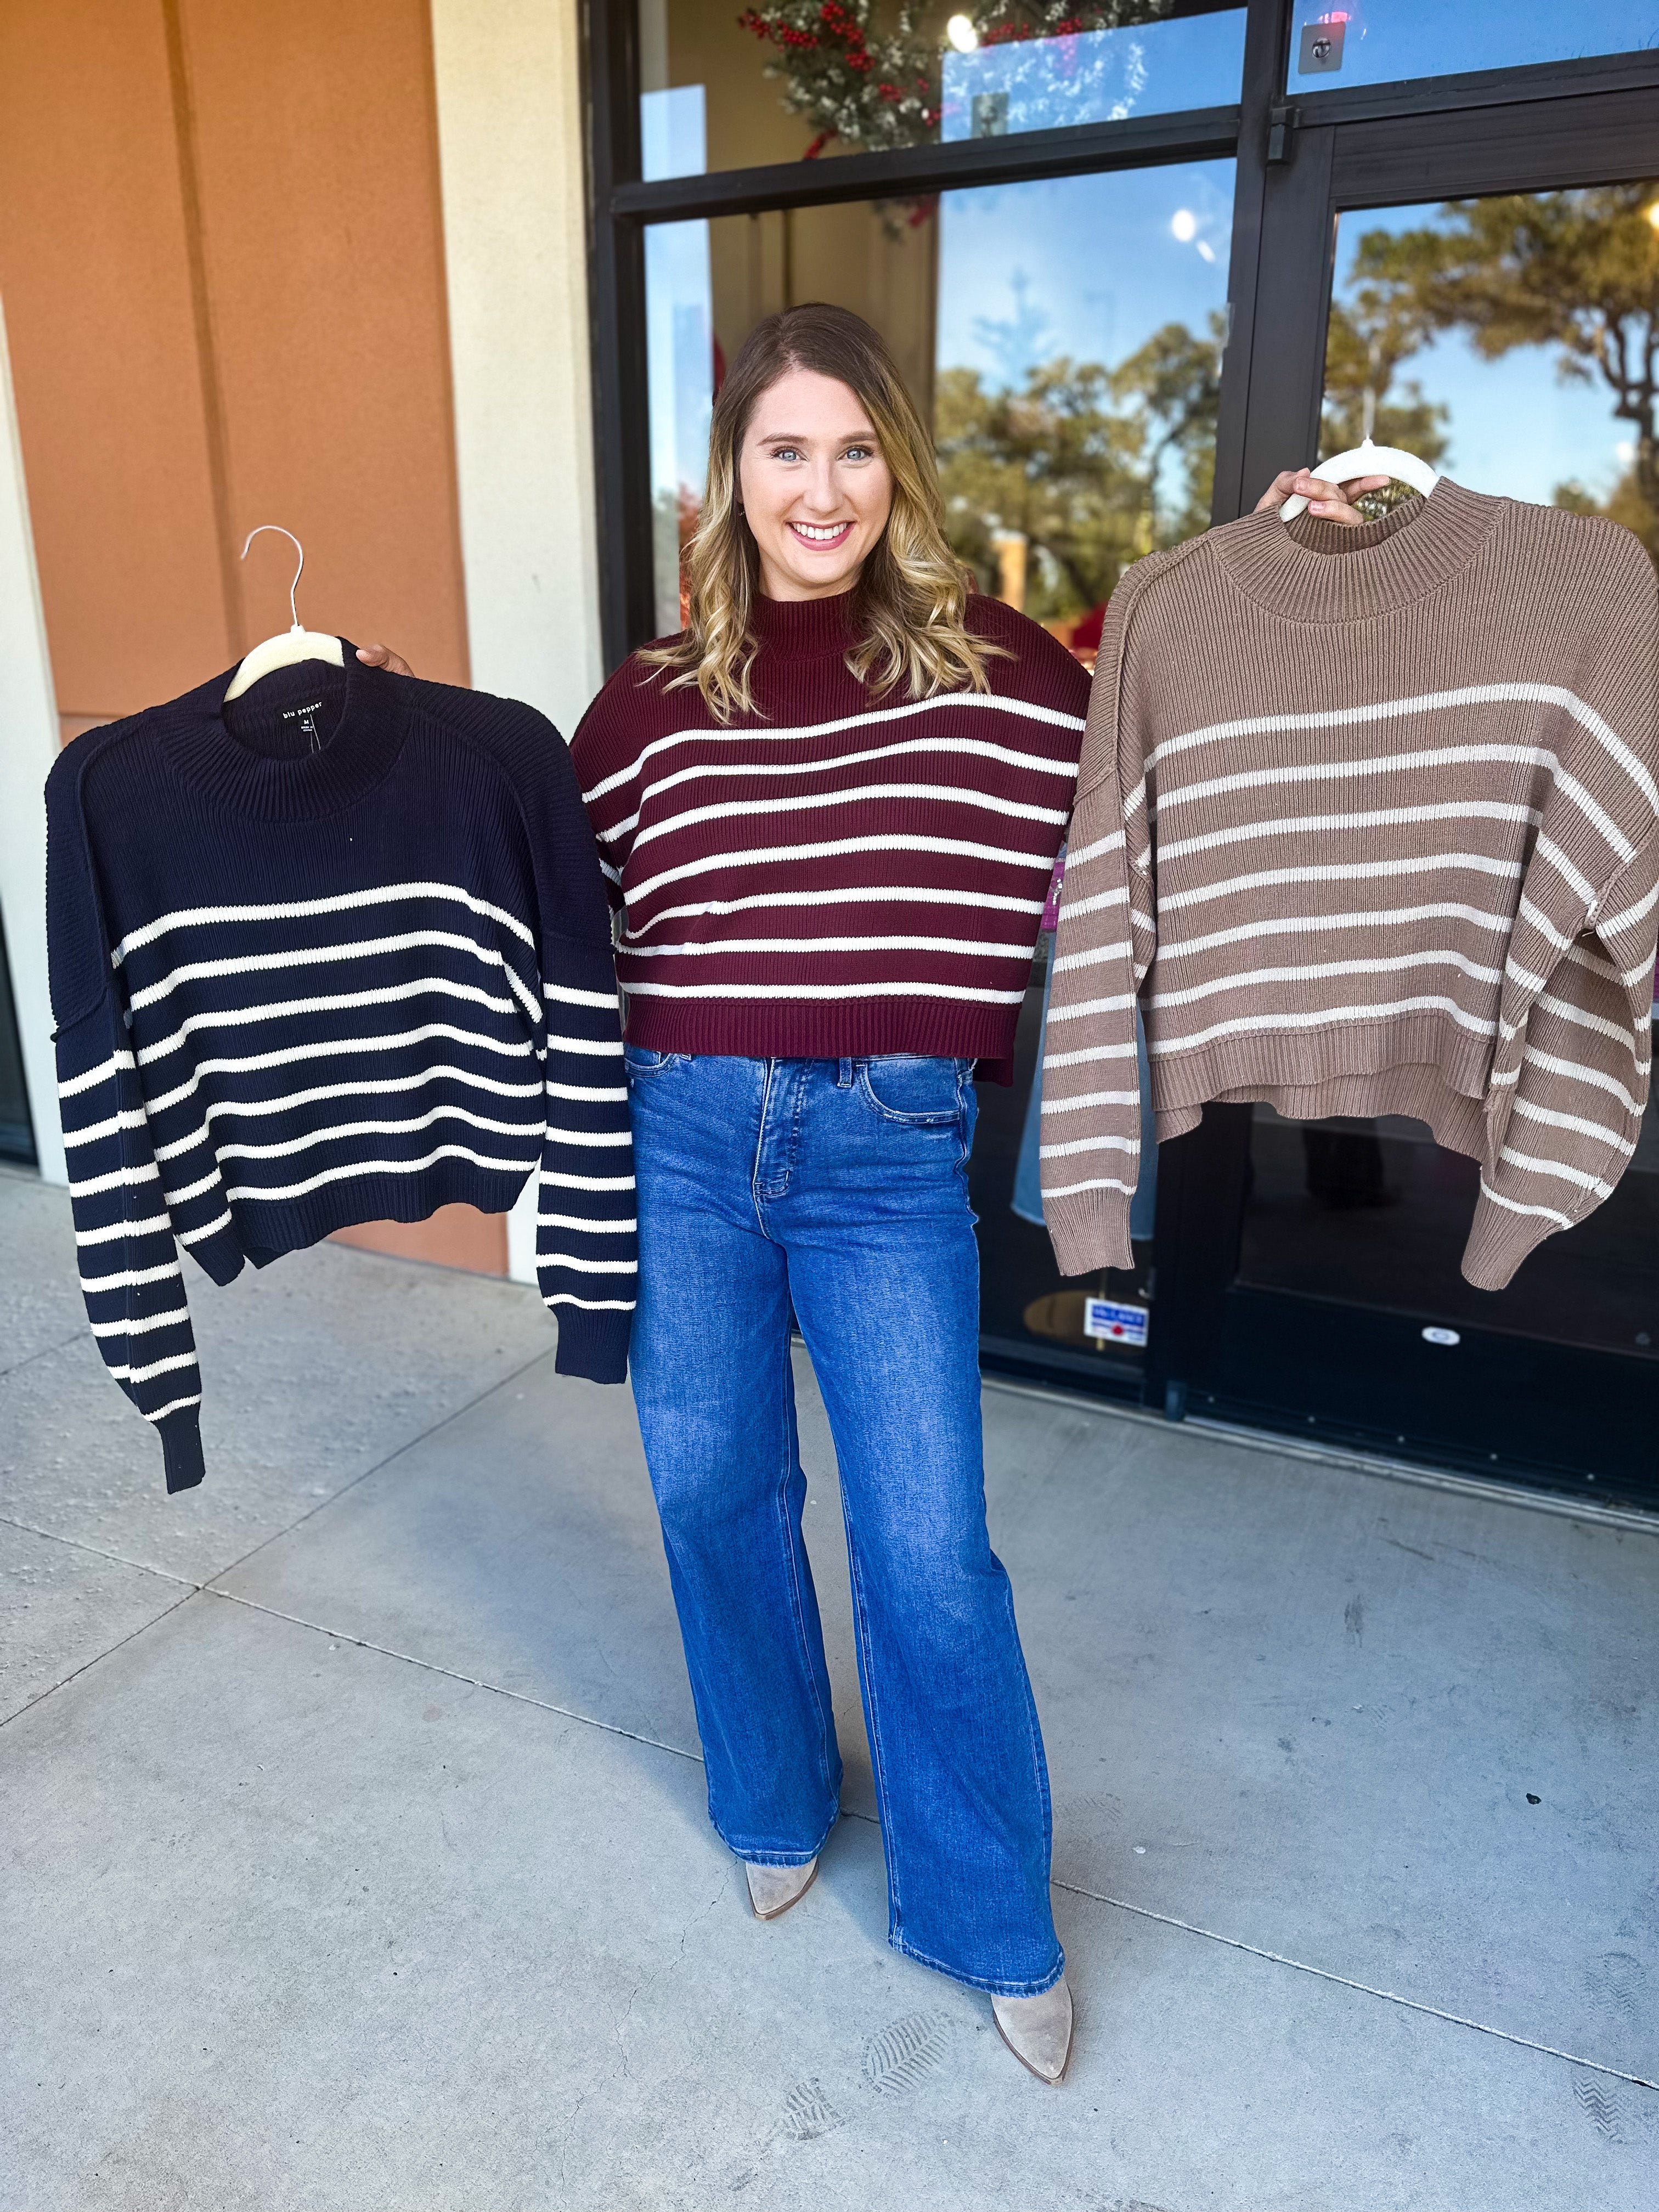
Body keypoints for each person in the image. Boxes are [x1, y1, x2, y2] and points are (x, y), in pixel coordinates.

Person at [358, 337, 1376, 2084]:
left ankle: (986, 1907)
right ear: (729, 479)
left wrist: (1271, 562)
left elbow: (1175, 712)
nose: (817, 491)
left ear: (894, 469)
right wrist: (390, 733)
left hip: (888, 1155)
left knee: (925, 1547)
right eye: (781, 454)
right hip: (675, 1138)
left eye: (849, 452)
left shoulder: (1003, 677)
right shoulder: (651, 698)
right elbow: (544, 881)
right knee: (710, 1485)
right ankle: (770, 1796)